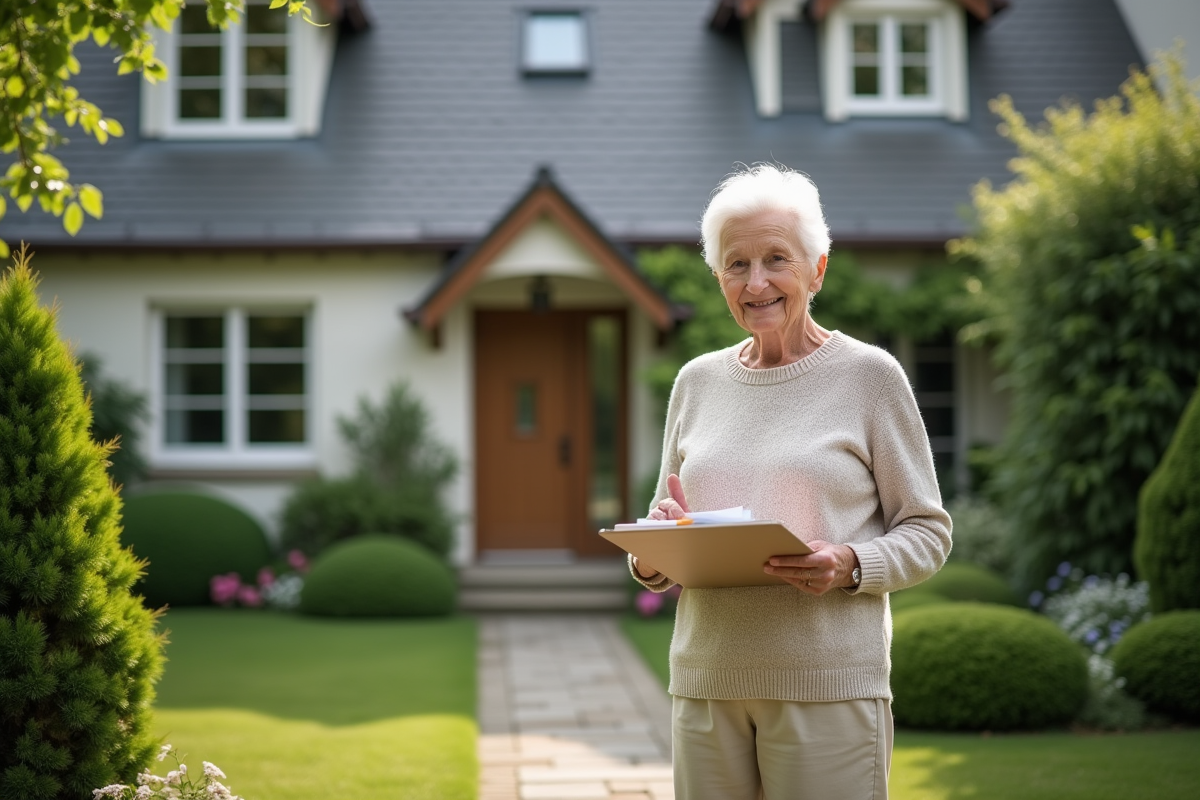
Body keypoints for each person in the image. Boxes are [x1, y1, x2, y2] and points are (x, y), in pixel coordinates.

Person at [631, 163, 952, 800]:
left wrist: (852, 562)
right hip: (706, 683)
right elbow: (665, 524)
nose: (756, 283)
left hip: (826, 686)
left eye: (777, 258)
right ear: (718, 277)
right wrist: (653, 550)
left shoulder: (869, 377)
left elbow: (929, 531)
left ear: (817, 269)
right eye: (736, 265)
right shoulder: (696, 382)